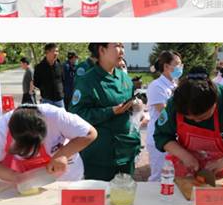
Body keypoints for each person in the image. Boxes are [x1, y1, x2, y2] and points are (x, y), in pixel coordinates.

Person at [153, 67, 223, 178]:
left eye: (202, 117)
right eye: (190, 118)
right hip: (186, 170)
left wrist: (222, 163)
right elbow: (161, 135)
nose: (196, 121)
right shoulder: (176, 103)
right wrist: (185, 156)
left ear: (215, 102)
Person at [70, 43, 140, 180]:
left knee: (125, 196)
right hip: (100, 156)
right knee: (100, 197)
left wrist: (136, 106)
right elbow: (77, 114)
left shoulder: (124, 78)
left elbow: (130, 111)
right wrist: (110, 111)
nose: (122, 51)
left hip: (126, 152)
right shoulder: (87, 81)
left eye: (123, 46)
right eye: (117, 46)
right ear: (102, 50)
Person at [0, 104, 97, 182]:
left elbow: (90, 133)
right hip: (30, 180)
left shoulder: (56, 116)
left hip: (66, 176)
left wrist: (62, 154)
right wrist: (16, 177)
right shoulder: (2, 128)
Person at [146, 51, 182, 182]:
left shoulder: (175, 85)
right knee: (158, 177)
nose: (180, 67)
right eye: (177, 64)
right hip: (158, 138)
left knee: (172, 176)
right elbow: (164, 112)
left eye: (181, 64)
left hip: (172, 137)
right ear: (166, 66)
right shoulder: (156, 86)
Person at [34, 43, 65, 109]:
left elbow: (63, 80)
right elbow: (36, 83)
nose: (56, 53)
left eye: (57, 51)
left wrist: (61, 92)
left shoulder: (60, 66)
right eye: (54, 51)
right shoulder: (39, 67)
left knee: (61, 119)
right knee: (46, 119)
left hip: (59, 100)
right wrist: (45, 88)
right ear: (47, 52)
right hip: (46, 100)